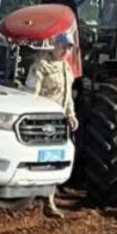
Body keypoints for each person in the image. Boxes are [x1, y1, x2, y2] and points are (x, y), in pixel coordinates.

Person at [23, 30, 78, 218]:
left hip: (59, 121)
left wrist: (71, 115)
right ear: (55, 46)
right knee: (38, 159)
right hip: (43, 120)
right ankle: (28, 200)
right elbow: (31, 93)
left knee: (54, 160)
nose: (65, 51)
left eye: (69, 48)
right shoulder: (41, 66)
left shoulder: (66, 69)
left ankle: (49, 202)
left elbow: (67, 96)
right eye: (63, 47)